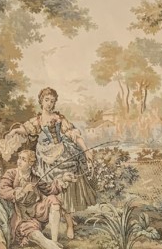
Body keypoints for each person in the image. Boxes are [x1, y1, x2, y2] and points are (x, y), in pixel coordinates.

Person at [7, 88, 96, 218]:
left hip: (61, 153)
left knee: (68, 175)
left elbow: (74, 135)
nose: (49, 103)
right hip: (44, 157)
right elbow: (25, 130)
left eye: (52, 101)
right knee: (47, 182)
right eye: (47, 100)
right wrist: (15, 131)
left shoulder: (59, 118)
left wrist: (86, 150)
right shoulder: (37, 120)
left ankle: (69, 214)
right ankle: (52, 211)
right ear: (41, 101)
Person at [0, 150, 84, 249]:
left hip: (37, 212)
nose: (19, 161)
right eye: (19, 158)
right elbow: (2, 190)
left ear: (30, 164)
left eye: (23, 159)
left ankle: (54, 241)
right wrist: (22, 190)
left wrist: (63, 179)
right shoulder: (11, 174)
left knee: (53, 199)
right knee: (39, 237)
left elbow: (49, 189)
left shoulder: (34, 178)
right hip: (21, 218)